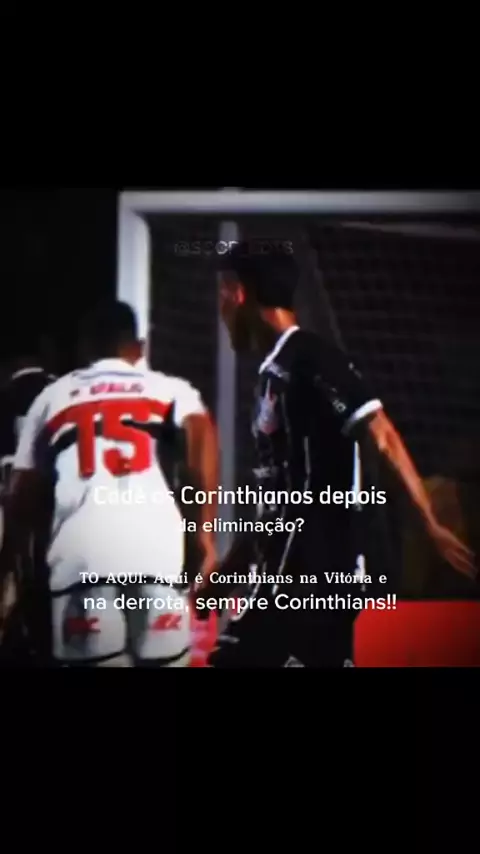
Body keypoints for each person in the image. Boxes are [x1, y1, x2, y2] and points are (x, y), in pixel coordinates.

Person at [196, 242, 475, 667]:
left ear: (239, 293)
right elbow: (276, 504)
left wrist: (430, 524)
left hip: (313, 571)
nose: (221, 310)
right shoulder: (274, 375)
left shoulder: (310, 356)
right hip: (294, 571)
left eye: (222, 294)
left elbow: (382, 433)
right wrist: (225, 576)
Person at [0, 301, 218, 666]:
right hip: (155, 554)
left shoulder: (53, 397)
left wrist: (11, 581)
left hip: (82, 559)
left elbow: (22, 499)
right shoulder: (170, 389)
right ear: (140, 347)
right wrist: (202, 536)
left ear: (84, 349)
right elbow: (201, 439)